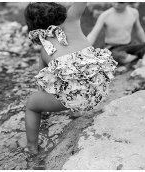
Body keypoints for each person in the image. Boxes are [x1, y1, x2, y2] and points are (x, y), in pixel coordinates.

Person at [23, 2, 117, 169]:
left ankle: (31, 147)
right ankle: (78, 109)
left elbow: (42, 82)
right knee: (79, 77)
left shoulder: (45, 46)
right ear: (60, 10)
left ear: (33, 25)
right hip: (99, 91)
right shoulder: (73, 19)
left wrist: (44, 100)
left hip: (73, 99)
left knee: (31, 104)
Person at [87, 2, 145, 67]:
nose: (116, 5)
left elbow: (138, 29)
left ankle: (143, 63)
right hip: (112, 48)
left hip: (130, 45)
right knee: (114, 55)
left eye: (121, 3)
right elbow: (93, 34)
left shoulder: (134, 12)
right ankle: (138, 56)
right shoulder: (105, 15)